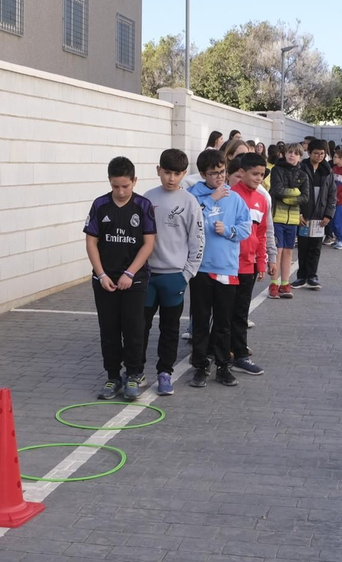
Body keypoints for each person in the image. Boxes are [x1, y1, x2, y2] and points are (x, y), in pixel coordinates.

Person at [84, 157, 159, 402]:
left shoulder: (143, 206)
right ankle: (113, 376)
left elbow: (148, 244)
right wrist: (102, 274)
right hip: (105, 281)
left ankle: (134, 374)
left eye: (125, 186)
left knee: (134, 328)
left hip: (134, 281)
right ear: (110, 182)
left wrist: (129, 273)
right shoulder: (100, 205)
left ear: (134, 181)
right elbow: (91, 242)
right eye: (116, 186)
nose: (121, 191)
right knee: (109, 329)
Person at [143, 149, 205, 397]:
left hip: (174, 278)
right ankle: (135, 371)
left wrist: (187, 273)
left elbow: (197, 240)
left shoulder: (190, 202)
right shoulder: (147, 199)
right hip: (147, 277)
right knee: (140, 326)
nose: (171, 178)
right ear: (158, 170)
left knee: (170, 329)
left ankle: (164, 372)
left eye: (177, 173)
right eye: (167, 172)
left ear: (183, 174)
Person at [187, 149, 251, 388]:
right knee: (201, 320)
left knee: (223, 321)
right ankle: (201, 365)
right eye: (214, 174)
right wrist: (211, 200)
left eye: (222, 172)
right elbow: (190, 222)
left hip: (226, 268)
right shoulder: (194, 196)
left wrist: (230, 231)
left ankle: (223, 366)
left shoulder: (235, 198)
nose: (220, 178)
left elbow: (246, 227)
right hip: (201, 268)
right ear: (203, 174)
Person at [228, 152, 271, 376]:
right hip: (227, 265)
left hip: (249, 266)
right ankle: (222, 352)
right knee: (226, 311)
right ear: (241, 173)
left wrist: (261, 262)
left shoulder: (262, 200)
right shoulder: (229, 196)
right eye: (255, 174)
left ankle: (240, 354)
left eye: (262, 175)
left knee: (241, 312)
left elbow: (262, 234)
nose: (258, 179)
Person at [292, 139, 336, 290]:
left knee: (316, 247)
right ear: (309, 153)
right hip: (304, 214)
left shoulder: (328, 171)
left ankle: (312, 276)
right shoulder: (301, 168)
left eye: (322, 154)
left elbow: (332, 194)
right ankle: (301, 276)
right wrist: (297, 213)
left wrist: (328, 215)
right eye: (316, 153)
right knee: (303, 246)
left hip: (320, 216)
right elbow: (294, 191)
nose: (319, 156)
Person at [269, 142, 309, 298]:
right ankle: (274, 283)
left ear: (300, 156)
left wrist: (288, 199)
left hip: (293, 220)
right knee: (277, 251)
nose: (292, 155)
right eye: (289, 152)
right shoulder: (276, 170)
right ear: (284, 154)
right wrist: (295, 192)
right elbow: (277, 190)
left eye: (296, 153)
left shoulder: (303, 174)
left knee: (288, 251)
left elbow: (305, 197)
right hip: (277, 217)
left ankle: (285, 283)